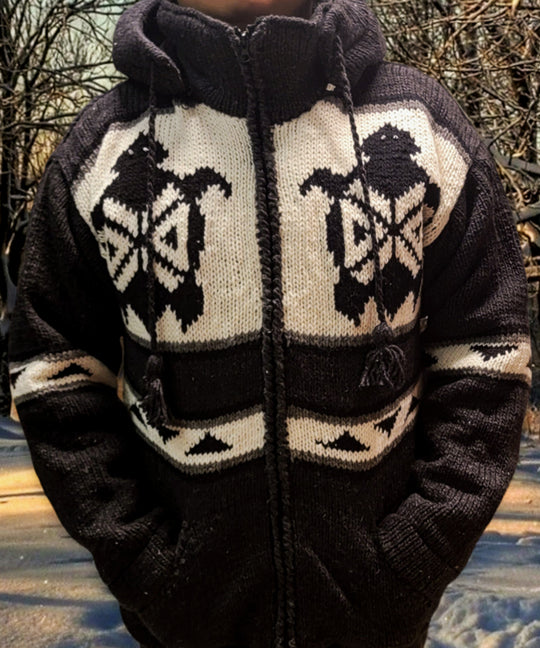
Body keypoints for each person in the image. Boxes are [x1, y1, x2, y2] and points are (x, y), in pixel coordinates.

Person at [7, 0, 532, 646]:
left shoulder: (422, 126)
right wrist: (150, 568)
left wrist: (411, 558)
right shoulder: (102, 149)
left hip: (378, 621)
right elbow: (53, 371)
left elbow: (488, 350)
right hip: (183, 625)